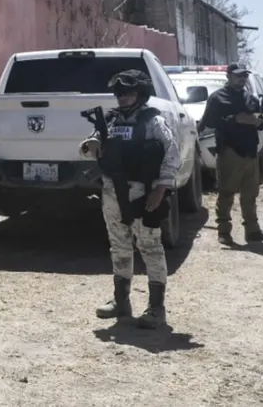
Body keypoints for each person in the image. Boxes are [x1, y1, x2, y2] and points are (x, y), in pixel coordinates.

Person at [78, 69, 181, 329]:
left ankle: (156, 309)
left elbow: (172, 153)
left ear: (140, 93)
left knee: (150, 247)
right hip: (112, 191)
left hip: (142, 194)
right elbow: (93, 144)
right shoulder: (110, 120)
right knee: (119, 246)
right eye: (118, 93)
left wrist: (161, 188)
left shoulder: (153, 121)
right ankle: (121, 302)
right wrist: (91, 144)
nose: (122, 97)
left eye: (128, 92)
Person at [198, 63, 263, 245]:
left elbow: (261, 122)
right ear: (229, 76)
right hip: (230, 151)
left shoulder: (250, 98)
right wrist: (234, 120)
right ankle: (224, 231)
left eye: (244, 76)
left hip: (250, 151)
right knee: (226, 193)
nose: (242, 79)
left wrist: (257, 122)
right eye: (238, 75)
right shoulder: (218, 98)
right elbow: (208, 122)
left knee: (250, 194)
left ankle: (253, 230)